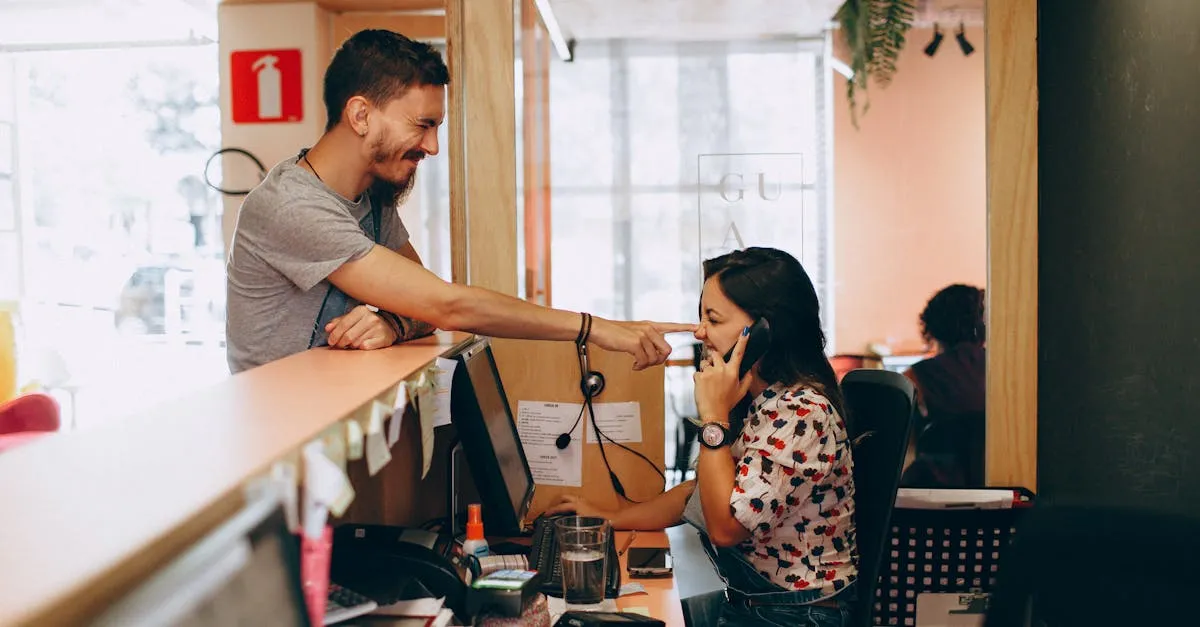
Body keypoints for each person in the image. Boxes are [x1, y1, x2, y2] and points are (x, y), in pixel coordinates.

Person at [225, 30, 690, 374]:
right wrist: (595, 329)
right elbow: (445, 305)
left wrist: (391, 321)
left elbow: (420, 304)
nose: (432, 147)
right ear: (361, 114)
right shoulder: (294, 206)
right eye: (422, 125)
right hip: (278, 451)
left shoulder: (369, 196)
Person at [547, 247, 858, 627]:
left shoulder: (801, 412)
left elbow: (725, 526)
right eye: (701, 316)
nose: (699, 332)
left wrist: (714, 417)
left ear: (763, 330)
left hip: (795, 615)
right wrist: (612, 518)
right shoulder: (764, 398)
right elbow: (701, 492)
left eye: (712, 319)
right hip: (758, 603)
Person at [901, 283, 986, 487]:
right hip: (992, 483)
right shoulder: (1003, 371)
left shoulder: (915, 377)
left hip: (934, 489)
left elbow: (903, 448)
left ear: (932, 326)